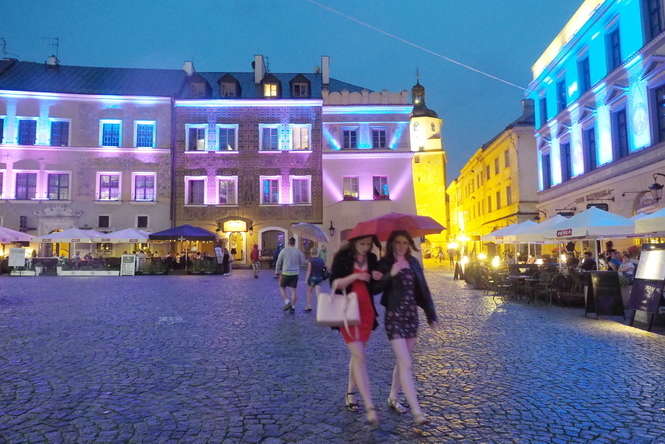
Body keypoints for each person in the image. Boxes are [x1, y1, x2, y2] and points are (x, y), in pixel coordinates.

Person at [374, 230, 438, 426]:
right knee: (406, 362)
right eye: (397, 242)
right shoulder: (385, 263)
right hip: (394, 317)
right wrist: (390, 274)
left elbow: (423, 290)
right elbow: (374, 288)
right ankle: (417, 412)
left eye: (404, 242)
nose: (401, 246)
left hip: (411, 317)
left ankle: (393, 397)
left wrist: (431, 315)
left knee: (403, 361)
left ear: (409, 244)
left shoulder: (414, 263)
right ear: (392, 244)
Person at [329, 234, 382, 426]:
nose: (366, 247)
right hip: (348, 313)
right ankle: (369, 405)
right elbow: (335, 284)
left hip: (366, 312)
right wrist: (356, 276)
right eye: (362, 244)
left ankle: (350, 392)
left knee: (357, 356)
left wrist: (376, 278)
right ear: (354, 243)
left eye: (369, 244)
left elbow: (374, 288)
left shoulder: (372, 259)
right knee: (359, 355)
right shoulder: (342, 258)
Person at [274, 237, 305, 313]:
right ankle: (293, 307)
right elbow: (302, 262)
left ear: (288, 243)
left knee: (282, 287)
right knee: (293, 290)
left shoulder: (284, 250)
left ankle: (287, 301)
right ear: (294, 243)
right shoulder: (298, 251)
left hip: (286, 273)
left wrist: (277, 271)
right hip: (295, 273)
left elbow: (278, 262)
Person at [304, 247, 326, 313]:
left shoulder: (310, 261)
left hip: (312, 279)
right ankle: (320, 307)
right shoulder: (321, 260)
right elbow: (324, 269)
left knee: (309, 292)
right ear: (317, 253)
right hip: (320, 278)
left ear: (311, 253)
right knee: (318, 293)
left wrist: (306, 279)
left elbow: (309, 271)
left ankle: (309, 306)